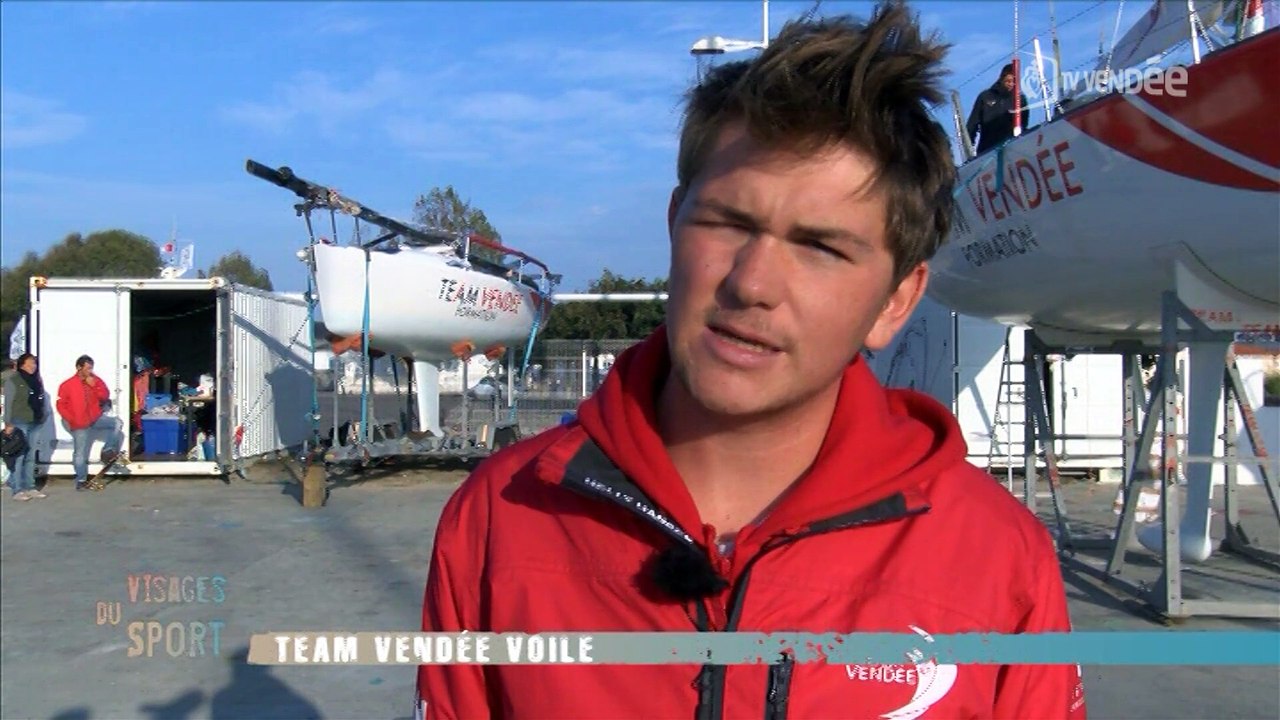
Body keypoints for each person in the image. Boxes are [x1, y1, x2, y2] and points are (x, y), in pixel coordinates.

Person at [417, 3, 1087, 719]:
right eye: (729, 223)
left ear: (897, 300)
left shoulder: (998, 562)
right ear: (674, 221)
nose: (753, 283)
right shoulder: (500, 520)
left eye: (821, 247)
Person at [56, 354, 125, 491]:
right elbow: (60, 404)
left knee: (117, 423)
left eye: (91, 368)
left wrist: (94, 386)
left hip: (94, 417)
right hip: (79, 422)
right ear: (78, 367)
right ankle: (81, 480)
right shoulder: (68, 385)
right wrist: (72, 419)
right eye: (87, 368)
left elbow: (104, 395)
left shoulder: (95, 380)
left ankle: (107, 450)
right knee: (80, 452)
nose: (90, 371)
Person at [3, 354, 48, 500]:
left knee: (30, 455)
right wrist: (8, 423)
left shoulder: (37, 380)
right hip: (19, 421)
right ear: (22, 365)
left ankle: (30, 486)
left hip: (35, 421)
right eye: (30, 364)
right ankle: (17, 489)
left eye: (34, 364)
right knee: (19, 455)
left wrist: (44, 414)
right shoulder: (13, 380)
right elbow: (9, 403)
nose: (33, 366)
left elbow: (41, 399)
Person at [966, 62, 1032, 155]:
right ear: (1001, 79)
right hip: (988, 149)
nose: (1011, 84)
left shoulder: (1020, 100)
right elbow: (972, 125)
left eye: (1014, 81)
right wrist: (969, 150)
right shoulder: (985, 97)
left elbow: (1023, 124)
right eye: (1008, 81)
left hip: (1012, 148)